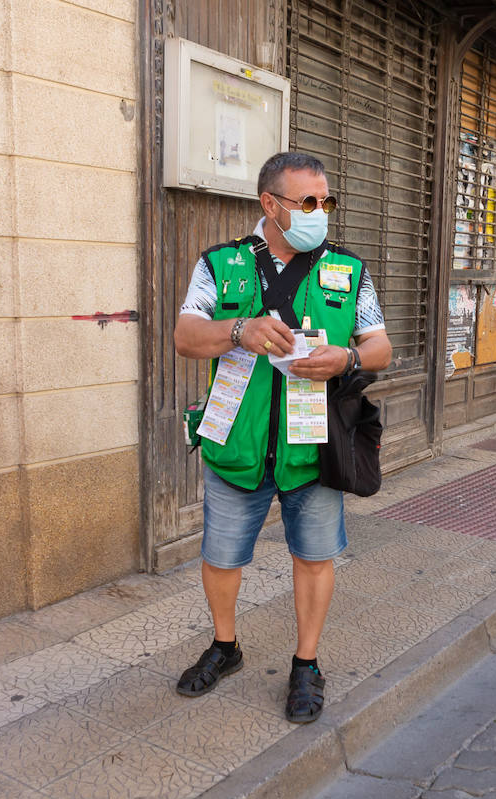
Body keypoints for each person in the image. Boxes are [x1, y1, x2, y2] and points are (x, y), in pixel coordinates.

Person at [172, 152, 393, 724]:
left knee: (315, 557)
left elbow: (381, 348)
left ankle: (306, 664)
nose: (321, 212)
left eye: (327, 202)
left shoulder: (349, 269)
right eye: (308, 202)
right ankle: (225, 647)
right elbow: (186, 335)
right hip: (236, 441)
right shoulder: (220, 265)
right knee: (221, 557)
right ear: (270, 204)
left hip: (313, 445)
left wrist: (347, 357)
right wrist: (239, 330)